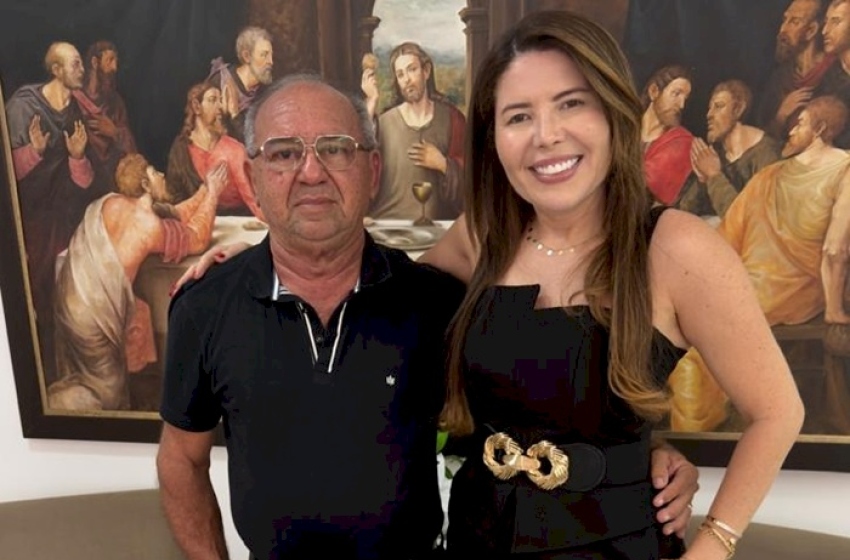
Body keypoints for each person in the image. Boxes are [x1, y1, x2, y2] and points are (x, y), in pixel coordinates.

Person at [159, 74, 698, 559]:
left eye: (336, 149)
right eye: (282, 153)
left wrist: (643, 451)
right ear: (251, 176)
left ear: (372, 170)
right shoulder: (207, 305)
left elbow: (538, 398)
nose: (311, 172)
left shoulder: (434, 298)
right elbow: (182, 459)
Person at [418, 10, 801, 558]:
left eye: (571, 103)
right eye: (519, 116)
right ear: (493, 137)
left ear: (614, 112)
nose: (547, 135)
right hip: (475, 541)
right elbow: (386, 323)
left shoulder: (677, 247)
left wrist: (711, 547)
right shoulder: (479, 236)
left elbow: (778, 411)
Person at [670, 95, 850, 433]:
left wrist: (835, 310)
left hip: (799, 291)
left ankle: (697, 435)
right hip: (755, 284)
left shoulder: (845, 169)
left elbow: (835, 249)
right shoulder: (770, 175)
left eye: (800, 124)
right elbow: (729, 236)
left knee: (697, 343)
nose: (790, 131)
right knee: (691, 328)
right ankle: (702, 432)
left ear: (820, 129)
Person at [48, 154, 227, 411]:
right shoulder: (148, 226)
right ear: (145, 185)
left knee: (86, 375)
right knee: (108, 391)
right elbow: (197, 238)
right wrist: (214, 195)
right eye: (155, 173)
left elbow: (177, 213)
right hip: (95, 320)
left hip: (69, 304)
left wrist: (205, 189)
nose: (162, 175)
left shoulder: (111, 202)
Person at [5, 41, 104, 383]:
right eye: (75, 64)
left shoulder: (75, 110)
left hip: (66, 218)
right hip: (32, 223)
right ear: (56, 70)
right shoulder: (23, 106)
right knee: (40, 295)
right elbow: (8, 179)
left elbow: (85, 181)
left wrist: (77, 157)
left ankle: (70, 371)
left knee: (72, 295)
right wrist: (32, 151)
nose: (82, 69)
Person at [362, 42, 466, 220]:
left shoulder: (453, 119)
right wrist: (371, 103)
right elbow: (360, 167)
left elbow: (474, 181)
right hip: (388, 224)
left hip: (439, 229)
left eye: (412, 70)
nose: (407, 79)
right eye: (400, 74)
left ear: (426, 71)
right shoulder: (383, 123)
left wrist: (443, 164)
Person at [678, 79, 781, 219]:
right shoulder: (716, 154)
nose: (709, 115)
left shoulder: (766, 154)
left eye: (718, 106)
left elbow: (749, 222)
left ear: (738, 110)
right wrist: (702, 180)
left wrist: (713, 175)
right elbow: (684, 211)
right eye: (709, 108)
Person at [166, 81, 261, 217]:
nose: (220, 106)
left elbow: (254, 201)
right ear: (197, 107)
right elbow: (175, 194)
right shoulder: (181, 149)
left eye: (221, 100)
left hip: (236, 223)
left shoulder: (233, 149)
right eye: (213, 100)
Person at [756, 0, 832, 140]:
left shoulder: (833, 71)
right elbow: (762, 136)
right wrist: (782, 115)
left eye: (794, 22)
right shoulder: (779, 78)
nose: (782, 30)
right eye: (784, 20)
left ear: (811, 31)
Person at [72, 40, 138, 179]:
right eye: (110, 60)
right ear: (95, 63)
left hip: (110, 177)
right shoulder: (73, 99)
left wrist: (114, 132)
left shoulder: (115, 102)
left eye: (116, 61)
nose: (115, 67)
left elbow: (131, 151)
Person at [207, 26, 274, 143]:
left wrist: (235, 114)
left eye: (271, 55)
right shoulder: (220, 81)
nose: (271, 62)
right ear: (247, 56)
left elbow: (255, 143)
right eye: (264, 55)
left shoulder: (265, 94)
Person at [640, 64, 695, 205]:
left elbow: (649, 186)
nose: (681, 105)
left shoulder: (682, 141)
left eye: (685, 98)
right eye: (676, 94)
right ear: (654, 91)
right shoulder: (625, 128)